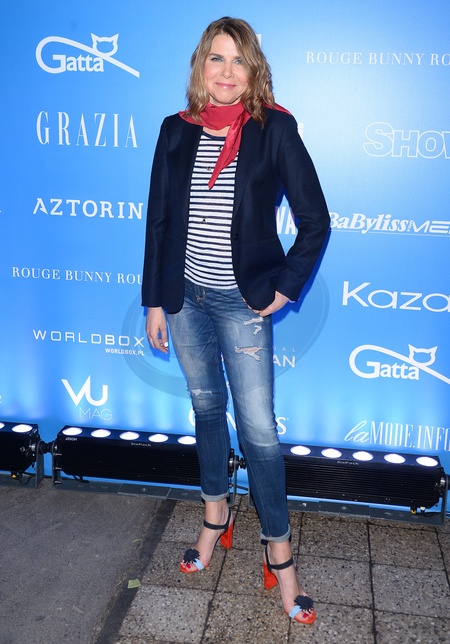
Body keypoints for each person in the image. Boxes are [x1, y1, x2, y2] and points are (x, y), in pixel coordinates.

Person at [142, 16, 329, 625]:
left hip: (240, 301)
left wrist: (286, 286)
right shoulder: (176, 129)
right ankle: (215, 517)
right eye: (216, 58)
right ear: (201, 64)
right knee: (204, 409)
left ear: (254, 69)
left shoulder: (274, 129)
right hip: (183, 299)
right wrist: (154, 300)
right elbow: (159, 222)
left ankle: (280, 556)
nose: (226, 72)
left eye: (238, 60)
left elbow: (315, 219)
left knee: (259, 433)